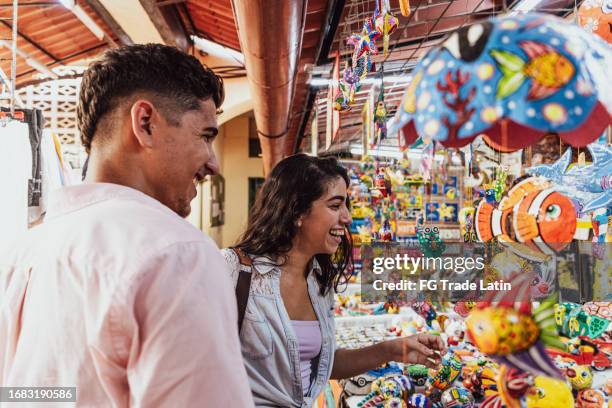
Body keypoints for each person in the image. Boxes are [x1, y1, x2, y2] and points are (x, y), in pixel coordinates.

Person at [0, 44, 254, 407]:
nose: (212, 164)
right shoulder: (178, 255)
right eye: (205, 136)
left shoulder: (22, 252)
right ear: (145, 123)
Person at [222, 154, 446, 407]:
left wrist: (394, 349)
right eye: (335, 205)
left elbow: (324, 365)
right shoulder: (234, 270)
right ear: (297, 211)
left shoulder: (317, 280)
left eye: (346, 205)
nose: (348, 217)